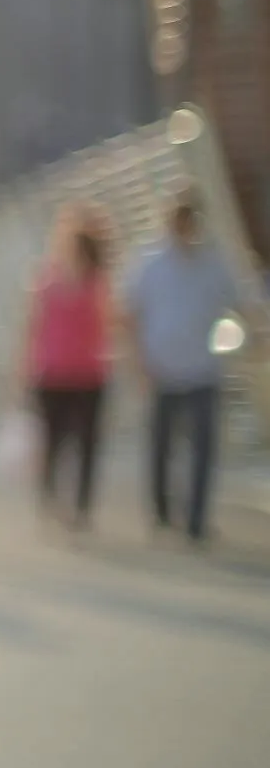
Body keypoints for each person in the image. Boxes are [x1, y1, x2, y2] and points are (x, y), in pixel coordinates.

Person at [123, 195, 259, 546]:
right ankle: (162, 513)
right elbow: (130, 313)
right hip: (161, 366)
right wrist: (138, 362)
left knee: (203, 447)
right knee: (162, 444)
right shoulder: (150, 262)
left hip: (202, 367)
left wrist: (253, 338)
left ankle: (196, 520)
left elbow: (241, 302)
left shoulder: (214, 263)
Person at [23, 203, 116, 533]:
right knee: (54, 442)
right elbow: (32, 327)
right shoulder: (46, 279)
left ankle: (81, 507)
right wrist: (25, 370)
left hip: (89, 374)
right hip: (53, 374)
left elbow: (108, 325)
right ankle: (49, 500)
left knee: (87, 444)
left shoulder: (98, 282)